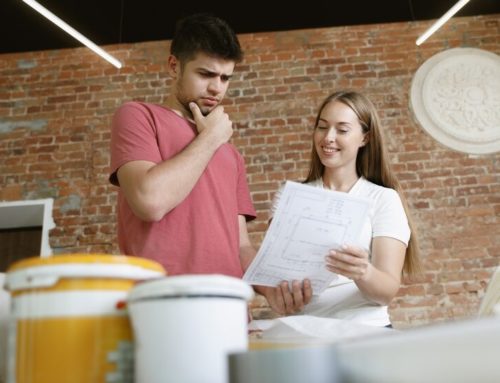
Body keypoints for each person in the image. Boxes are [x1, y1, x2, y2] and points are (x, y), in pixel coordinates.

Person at [109, 13, 309, 312]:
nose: (217, 88)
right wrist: (212, 138)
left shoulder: (231, 155)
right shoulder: (138, 116)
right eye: (205, 74)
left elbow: (240, 245)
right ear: (174, 66)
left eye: (225, 77)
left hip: (229, 310)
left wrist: (273, 286)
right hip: (163, 307)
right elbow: (149, 201)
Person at [270, 90, 420, 326]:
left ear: (365, 138)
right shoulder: (291, 196)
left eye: (342, 130)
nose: (328, 137)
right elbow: (276, 275)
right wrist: (279, 294)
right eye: (322, 127)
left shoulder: (383, 199)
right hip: (303, 331)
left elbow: (387, 290)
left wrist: (362, 271)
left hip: (363, 330)